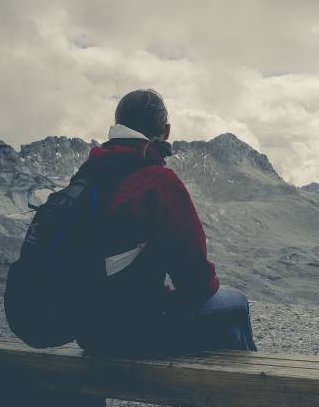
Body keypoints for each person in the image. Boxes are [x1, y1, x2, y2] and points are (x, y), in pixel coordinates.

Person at [72, 88, 257, 356]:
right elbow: (196, 281)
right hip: (132, 329)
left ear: (117, 125)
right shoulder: (157, 181)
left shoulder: (89, 172)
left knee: (229, 333)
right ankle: (254, 388)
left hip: (87, 330)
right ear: (166, 131)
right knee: (236, 303)